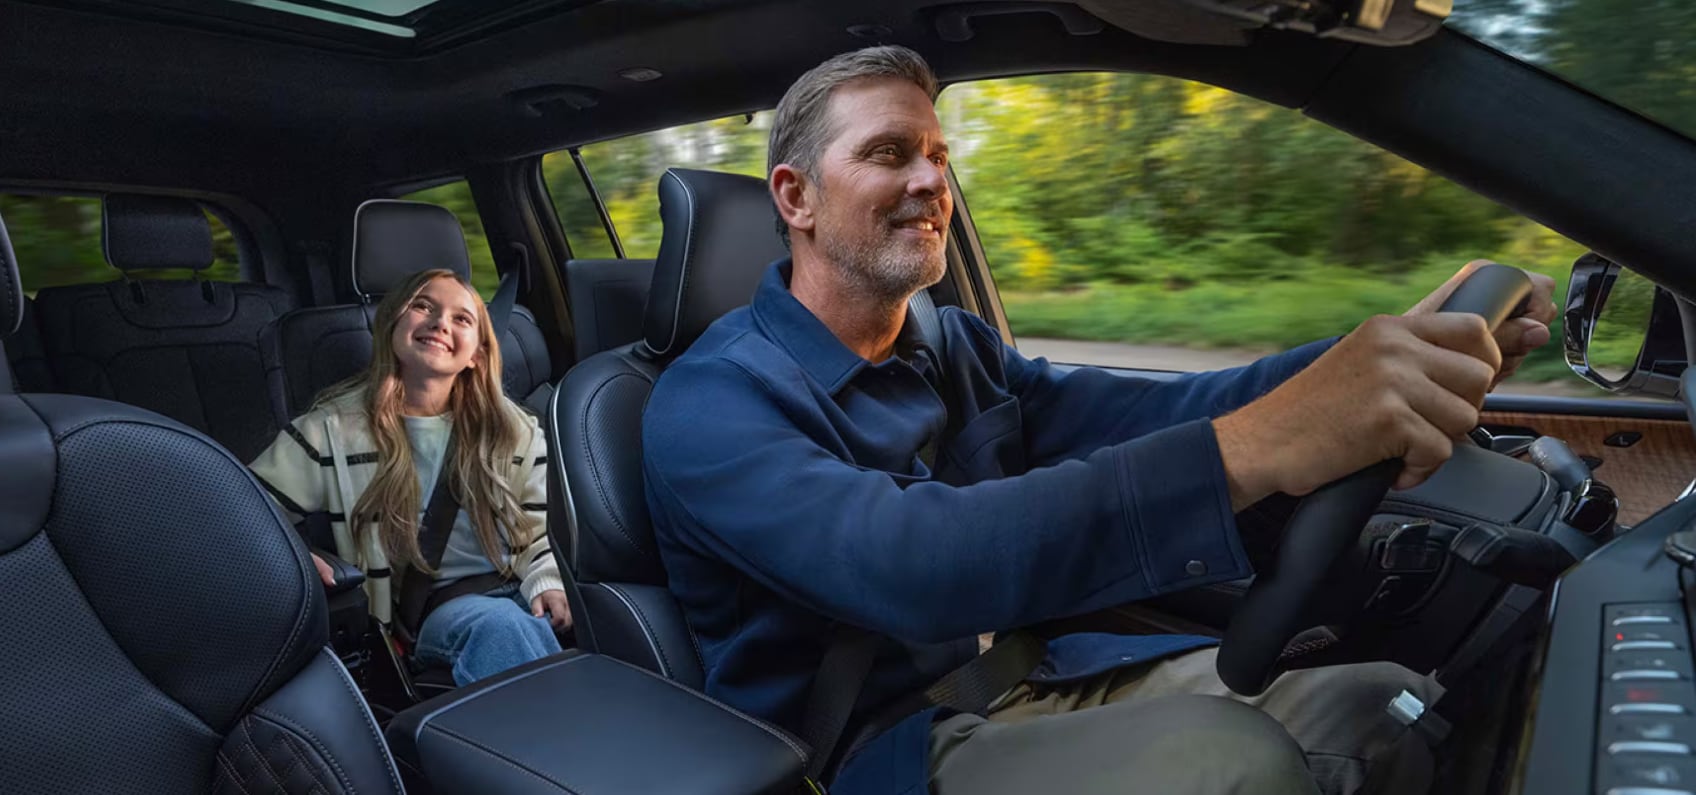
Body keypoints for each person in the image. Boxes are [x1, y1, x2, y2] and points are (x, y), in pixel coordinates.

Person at [643, 46, 1561, 794]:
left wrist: (1372, 357)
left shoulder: (950, 342)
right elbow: (913, 562)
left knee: (1382, 706)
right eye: (889, 153)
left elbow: (1151, 410)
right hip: (884, 751)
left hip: (1041, 675)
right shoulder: (708, 403)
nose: (931, 180)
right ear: (796, 197)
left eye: (939, 155)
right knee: (1234, 766)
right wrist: (1267, 442)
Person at [250, 268, 571, 686]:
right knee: (501, 627)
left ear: (476, 352)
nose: (440, 323)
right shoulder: (329, 431)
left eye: (462, 319)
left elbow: (542, 529)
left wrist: (549, 581)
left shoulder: (513, 429)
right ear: (392, 324)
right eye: (423, 306)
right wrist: (289, 553)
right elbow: (240, 507)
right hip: (435, 611)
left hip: (520, 587)